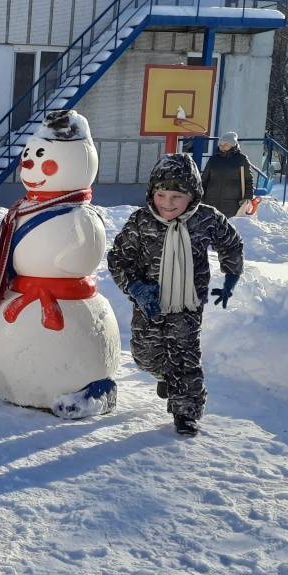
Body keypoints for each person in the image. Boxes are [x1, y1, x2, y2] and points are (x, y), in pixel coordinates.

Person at [107, 154, 244, 436]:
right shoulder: (141, 221)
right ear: (152, 193)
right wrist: (135, 287)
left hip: (187, 303)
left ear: (192, 196)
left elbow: (231, 244)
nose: (167, 203)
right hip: (150, 303)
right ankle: (164, 375)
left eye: (177, 197)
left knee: (185, 356)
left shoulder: (206, 218)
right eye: (161, 194)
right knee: (145, 355)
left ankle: (186, 413)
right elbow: (118, 259)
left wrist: (230, 278)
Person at [200, 132, 256, 218]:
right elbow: (204, 179)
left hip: (232, 204)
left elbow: (248, 180)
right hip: (210, 202)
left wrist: (247, 197)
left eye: (225, 144)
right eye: (220, 144)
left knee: (228, 227)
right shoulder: (213, 159)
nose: (222, 146)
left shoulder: (241, 159)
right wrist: (200, 195)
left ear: (232, 144)